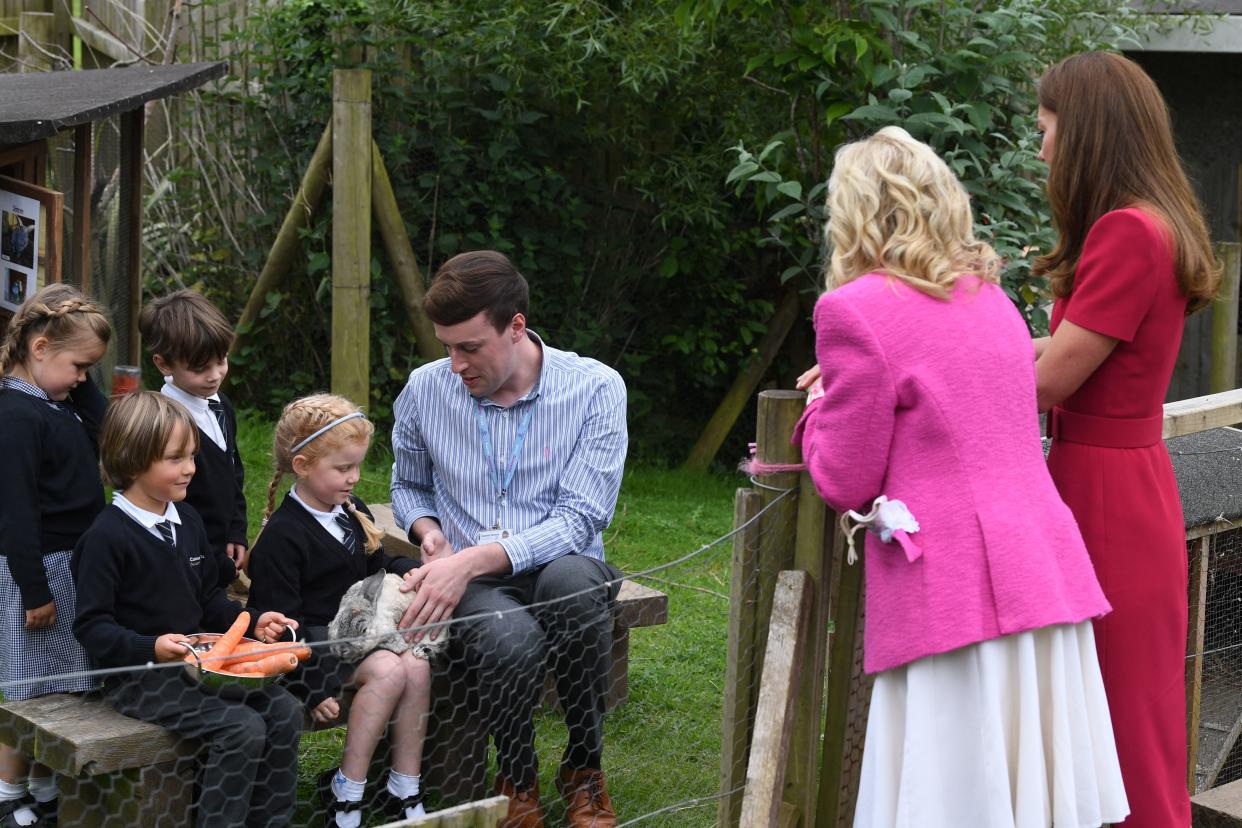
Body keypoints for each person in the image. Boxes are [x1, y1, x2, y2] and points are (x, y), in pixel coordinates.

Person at [794, 127, 1127, 827]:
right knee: (1025, 798)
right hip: (1037, 579)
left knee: (952, 798)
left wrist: (819, 406)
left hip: (952, 599)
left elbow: (844, 480)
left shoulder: (852, 311)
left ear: (853, 213)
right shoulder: (989, 301)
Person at [1032, 52, 1218, 828]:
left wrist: (912, 357)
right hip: (1117, 481)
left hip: (1102, 489)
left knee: (1117, 709)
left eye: (1045, 129)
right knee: (1125, 705)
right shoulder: (1154, 222)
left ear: (1085, 133)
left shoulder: (1126, 231)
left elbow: (1047, 381)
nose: (1040, 148)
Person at [391, 250, 628, 828]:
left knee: (573, 586)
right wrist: (430, 536)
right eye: (447, 346)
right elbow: (408, 486)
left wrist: (468, 560)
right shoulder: (424, 391)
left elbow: (580, 518)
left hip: (559, 560)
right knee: (510, 637)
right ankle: (515, 778)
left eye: (469, 347)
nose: (454, 364)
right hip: (472, 581)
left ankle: (583, 769)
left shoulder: (596, 388)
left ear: (516, 326)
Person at [72, 391, 302, 828]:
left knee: (284, 710)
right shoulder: (106, 538)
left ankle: (271, 821)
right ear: (134, 460)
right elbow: (91, 626)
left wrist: (250, 622)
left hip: (203, 664)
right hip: (139, 680)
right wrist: (151, 646)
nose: (191, 468)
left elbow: (207, 599)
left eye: (192, 456)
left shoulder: (188, 521)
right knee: (241, 728)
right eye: (176, 458)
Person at [246, 394, 430, 827]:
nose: (355, 478)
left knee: (418, 665)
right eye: (343, 468)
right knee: (389, 669)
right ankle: (347, 792)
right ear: (304, 465)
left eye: (357, 466)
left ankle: (404, 783)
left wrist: (417, 570)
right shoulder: (283, 538)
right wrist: (311, 688)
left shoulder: (352, 511)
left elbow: (377, 565)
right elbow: (279, 628)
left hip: (358, 633)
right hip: (314, 649)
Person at [0, 284, 111, 827]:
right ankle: (5, 794)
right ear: (39, 348)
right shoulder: (17, 417)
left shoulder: (58, 400)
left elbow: (107, 424)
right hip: (39, 570)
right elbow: (14, 513)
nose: (84, 379)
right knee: (30, 692)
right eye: (79, 365)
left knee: (62, 686)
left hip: (72, 565)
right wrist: (35, 590)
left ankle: (44, 790)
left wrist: (78, 378)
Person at [139, 289, 248, 590]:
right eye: (200, 368)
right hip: (182, 563)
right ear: (164, 364)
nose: (215, 375)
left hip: (220, 551)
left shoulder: (221, 405)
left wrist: (236, 530)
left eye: (221, 360)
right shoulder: (161, 422)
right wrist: (205, 559)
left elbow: (233, 472)